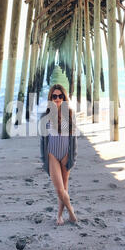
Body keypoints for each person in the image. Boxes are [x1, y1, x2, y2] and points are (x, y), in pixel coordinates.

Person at [39, 84, 78, 225]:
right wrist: (44, 159)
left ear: (64, 97)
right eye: (54, 96)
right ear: (50, 98)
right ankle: (72, 213)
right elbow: (42, 140)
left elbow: (74, 139)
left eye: (60, 96)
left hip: (66, 154)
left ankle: (59, 216)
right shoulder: (45, 116)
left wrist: (72, 156)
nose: (57, 98)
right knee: (59, 189)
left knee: (64, 187)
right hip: (52, 155)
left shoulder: (70, 114)